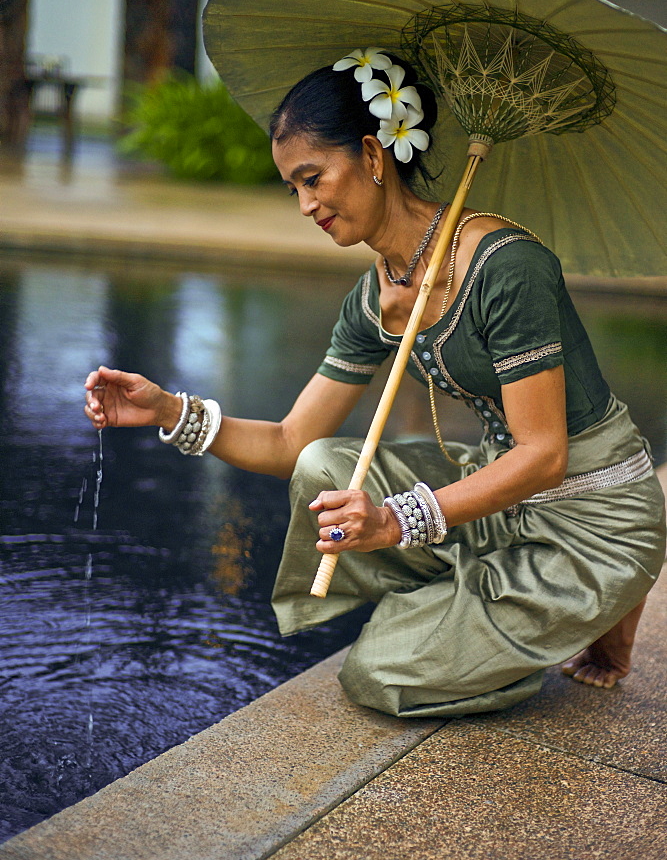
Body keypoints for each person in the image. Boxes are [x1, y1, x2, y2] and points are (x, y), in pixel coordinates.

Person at [84, 49, 666, 719]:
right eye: (292, 189)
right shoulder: (376, 296)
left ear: (370, 153)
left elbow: (544, 455)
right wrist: (169, 411)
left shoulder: (507, 266)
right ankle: (483, 602)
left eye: (312, 178)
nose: (305, 205)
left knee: (379, 675)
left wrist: (395, 520)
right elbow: (288, 441)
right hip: (502, 497)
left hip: (588, 515)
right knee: (323, 464)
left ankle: (589, 598)